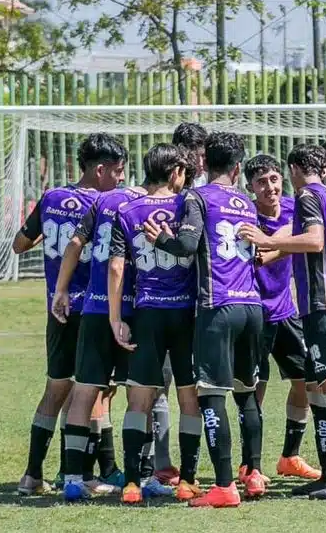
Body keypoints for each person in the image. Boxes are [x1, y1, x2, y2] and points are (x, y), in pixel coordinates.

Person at [144, 131, 262, 509]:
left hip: (218, 305)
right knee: (246, 394)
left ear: (201, 163)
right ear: (239, 167)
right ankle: (254, 472)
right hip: (253, 306)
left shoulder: (197, 197)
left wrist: (160, 239)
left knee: (210, 396)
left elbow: (187, 246)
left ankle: (224, 485)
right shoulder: (247, 201)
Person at [242, 144, 326, 500]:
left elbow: (314, 241)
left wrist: (268, 240)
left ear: (295, 169)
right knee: (316, 386)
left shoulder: (309, 196)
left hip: (325, 303)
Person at [10, 133, 127, 496]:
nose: (121, 179)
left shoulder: (51, 198)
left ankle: (32, 475)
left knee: (55, 390)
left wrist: (47, 239)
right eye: (119, 171)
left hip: (57, 309)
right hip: (91, 308)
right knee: (92, 392)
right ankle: (79, 473)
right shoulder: (106, 203)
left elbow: (19, 243)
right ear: (101, 169)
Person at [109, 144, 200, 503]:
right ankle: (188, 480)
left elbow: (117, 267)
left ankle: (132, 483)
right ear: (176, 170)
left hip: (147, 313)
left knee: (139, 399)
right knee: (188, 396)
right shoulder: (188, 205)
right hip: (185, 314)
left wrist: (117, 318)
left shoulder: (127, 209)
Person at [51, 173, 140, 501]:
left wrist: (60, 289)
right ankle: (138, 477)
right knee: (141, 394)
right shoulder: (151, 203)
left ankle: (73, 478)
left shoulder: (104, 200)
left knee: (85, 391)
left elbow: (75, 243)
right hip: (133, 312)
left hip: (92, 310)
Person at [243, 154, 320, 491]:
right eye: (262, 182)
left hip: (287, 311)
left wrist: (276, 246)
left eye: (274, 179)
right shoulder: (243, 215)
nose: (270, 187)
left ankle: (289, 456)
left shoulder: (294, 207)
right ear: (250, 187)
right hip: (255, 314)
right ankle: (250, 463)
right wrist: (283, 247)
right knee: (254, 388)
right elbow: (258, 257)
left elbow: (294, 243)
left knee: (306, 379)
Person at [145, 121, 211, 485]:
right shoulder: (173, 195)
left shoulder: (204, 193)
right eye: (198, 155)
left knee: (198, 386)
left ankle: (184, 465)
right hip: (172, 303)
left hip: (201, 303)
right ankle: (162, 462)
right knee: (162, 384)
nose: (202, 162)